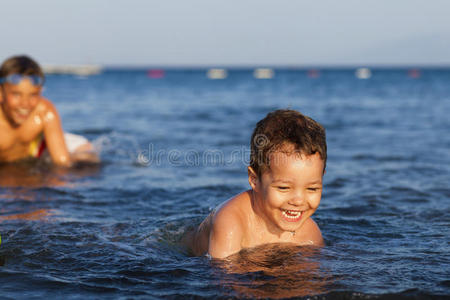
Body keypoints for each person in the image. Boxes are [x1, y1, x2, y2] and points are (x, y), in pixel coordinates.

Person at [189, 109, 327, 259]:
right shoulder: (230, 222)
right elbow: (223, 278)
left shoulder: (310, 233)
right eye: (284, 188)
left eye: (312, 188)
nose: (299, 201)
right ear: (254, 179)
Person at [0, 55, 99, 166]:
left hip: (39, 148)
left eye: (33, 95)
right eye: (16, 94)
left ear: (40, 92)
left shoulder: (44, 112)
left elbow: (62, 163)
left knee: (88, 156)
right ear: (1, 93)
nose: (25, 104)